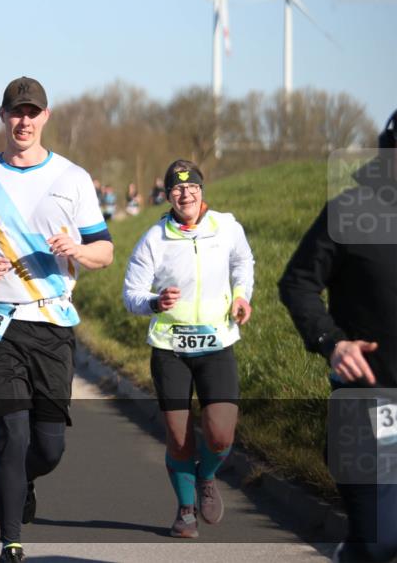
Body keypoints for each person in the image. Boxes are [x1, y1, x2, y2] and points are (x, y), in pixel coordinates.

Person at [0, 76, 113, 563]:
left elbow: (106, 251)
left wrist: (79, 251)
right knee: (13, 433)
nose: (23, 121)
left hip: (51, 323)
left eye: (32, 112)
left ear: (45, 117)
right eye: (15, 112)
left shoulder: (72, 178)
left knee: (48, 448)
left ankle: (25, 479)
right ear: (3, 117)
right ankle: (10, 542)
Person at [279, 112, 397, 563]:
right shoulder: (352, 210)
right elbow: (297, 283)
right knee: (381, 540)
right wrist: (332, 342)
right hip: (369, 405)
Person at [123, 159, 254, 538]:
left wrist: (242, 295)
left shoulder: (225, 227)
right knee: (180, 437)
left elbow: (243, 261)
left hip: (216, 344)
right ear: (168, 196)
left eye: (192, 186)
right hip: (170, 349)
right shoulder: (154, 238)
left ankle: (207, 477)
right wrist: (154, 301)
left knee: (220, 436)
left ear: (202, 190)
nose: (185, 194)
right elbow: (131, 294)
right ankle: (185, 510)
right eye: (177, 189)